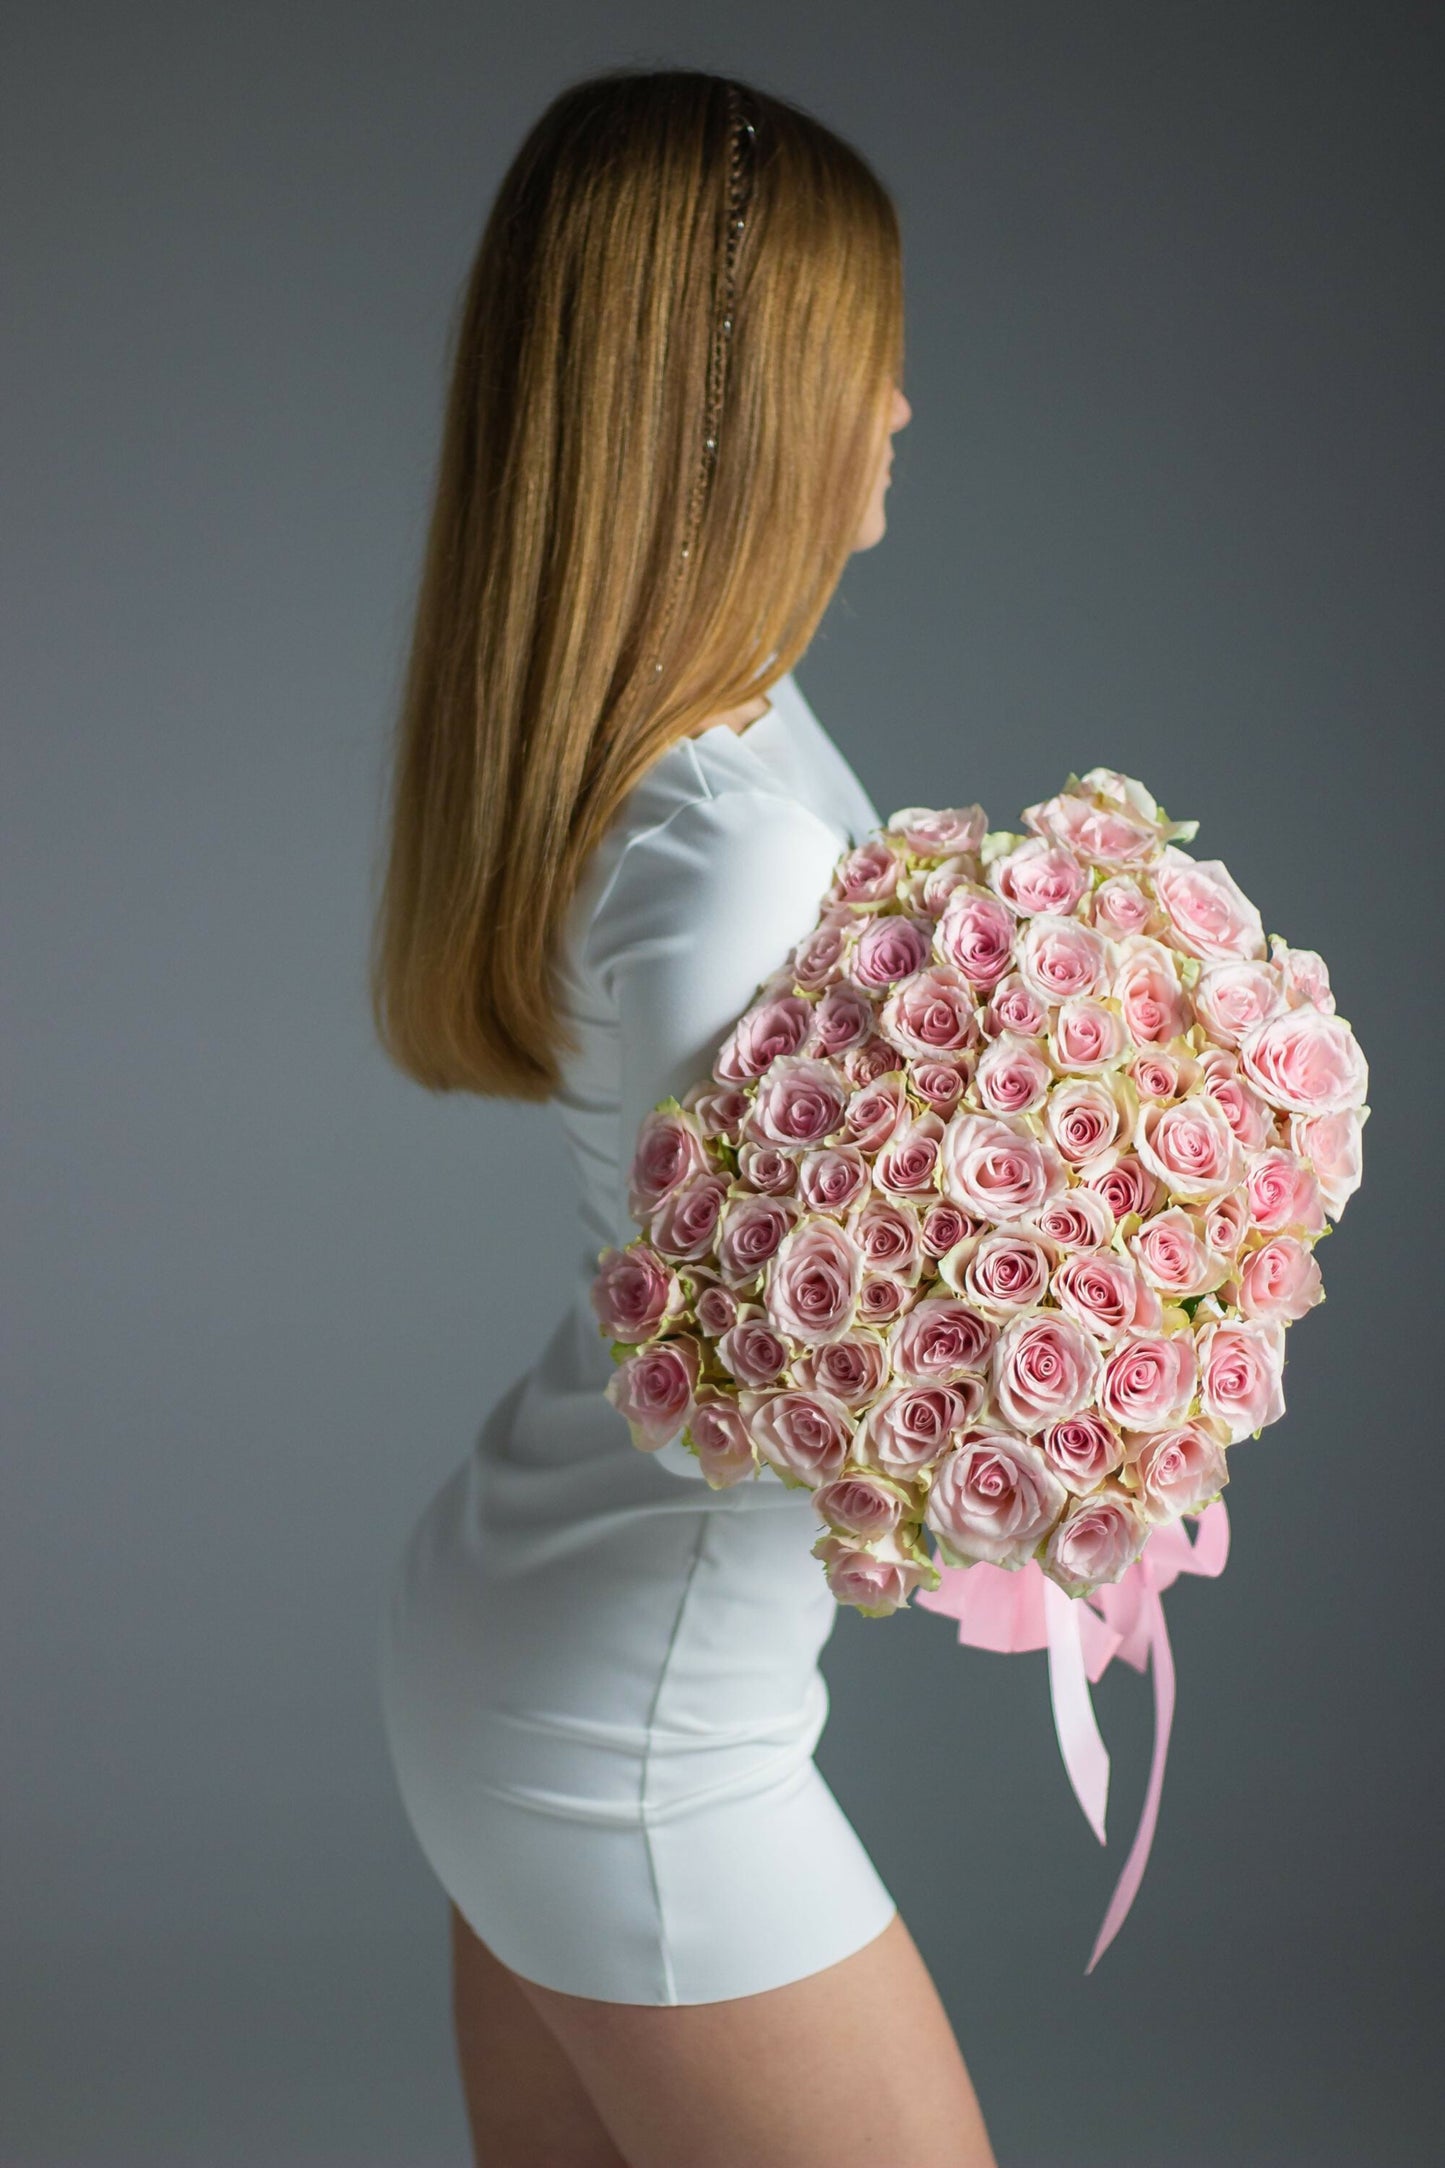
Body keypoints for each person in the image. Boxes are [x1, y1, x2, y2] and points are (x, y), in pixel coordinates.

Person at [369, 65, 998, 2168]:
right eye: (862, 352)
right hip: (638, 1729)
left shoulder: (706, 735)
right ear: (726, 400)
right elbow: (779, 1353)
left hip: (541, 1645)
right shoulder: (715, 841)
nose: (902, 401)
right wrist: (1106, 1357)